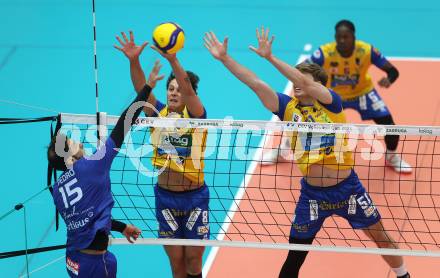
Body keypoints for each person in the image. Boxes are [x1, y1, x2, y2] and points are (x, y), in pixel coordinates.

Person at [204, 28, 410, 278]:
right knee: (294, 256)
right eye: (295, 79)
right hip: (313, 196)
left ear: (318, 85)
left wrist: (270, 58)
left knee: (382, 237)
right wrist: (225, 59)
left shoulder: (332, 103)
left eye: (302, 80)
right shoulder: (287, 107)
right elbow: (255, 83)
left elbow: (303, 82)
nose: (296, 84)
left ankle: (404, 275)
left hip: (349, 190)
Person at [46, 62, 162, 276]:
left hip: (74, 261)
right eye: (73, 142)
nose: (79, 143)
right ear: (69, 155)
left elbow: (88, 218)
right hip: (95, 264)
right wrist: (147, 87)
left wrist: (121, 227)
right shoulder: (93, 165)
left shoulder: (58, 189)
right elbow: (124, 123)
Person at [115, 31, 208, 278]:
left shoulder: (197, 116)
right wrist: (133, 61)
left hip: (194, 198)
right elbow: (140, 89)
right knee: (176, 264)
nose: (174, 92)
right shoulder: (157, 114)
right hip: (165, 198)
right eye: (170, 89)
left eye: (179, 89)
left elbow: (188, 89)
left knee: (193, 262)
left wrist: (173, 61)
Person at [264, 20, 412, 173]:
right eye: (338, 37)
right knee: (300, 120)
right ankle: (282, 151)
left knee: (391, 125)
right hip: (330, 97)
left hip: (362, 93)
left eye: (346, 36)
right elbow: (300, 71)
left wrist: (389, 79)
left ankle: (391, 156)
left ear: (353, 36)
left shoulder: (366, 51)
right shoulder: (325, 52)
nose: (342, 40)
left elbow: (393, 71)